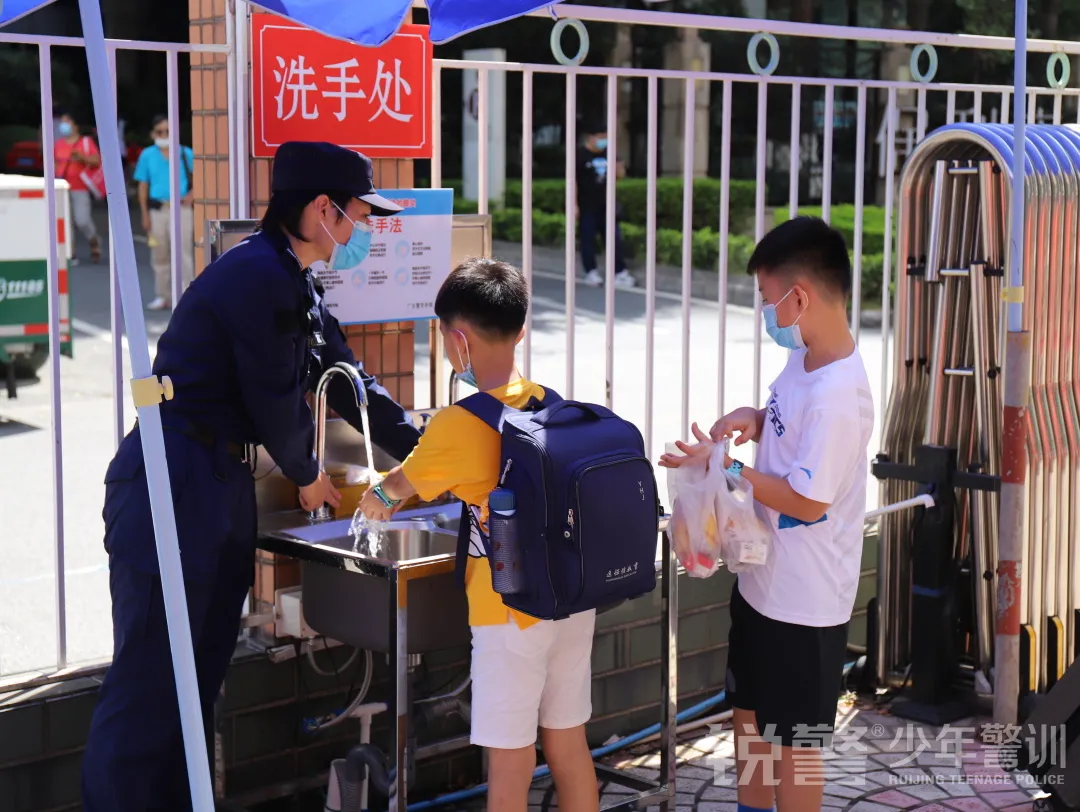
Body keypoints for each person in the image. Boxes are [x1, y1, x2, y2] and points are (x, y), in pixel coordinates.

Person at [81, 142, 422, 811]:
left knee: (196, 686)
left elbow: (349, 385)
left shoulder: (294, 280)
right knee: (150, 688)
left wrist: (424, 442)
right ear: (322, 209)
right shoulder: (257, 276)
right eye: (357, 215)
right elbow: (272, 395)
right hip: (172, 482)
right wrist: (306, 471)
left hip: (218, 486)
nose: (361, 232)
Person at [357, 258, 600, 812]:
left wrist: (374, 498)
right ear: (518, 331)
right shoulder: (548, 402)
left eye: (444, 335)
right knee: (567, 742)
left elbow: (397, 487)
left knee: (510, 759)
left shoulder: (460, 423)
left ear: (458, 339)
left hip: (507, 612)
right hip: (569, 600)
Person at [660, 217, 874, 812]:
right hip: (763, 584)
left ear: (799, 297)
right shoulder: (805, 361)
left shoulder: (840, 395)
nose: (766, 313)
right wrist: (754, 419)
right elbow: (789, 435)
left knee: (794, 747)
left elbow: (809, 499)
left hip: (804, 606)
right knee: (750, 723)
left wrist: (729, 473)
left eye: (766, 300)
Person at [134, 114, 197, 311]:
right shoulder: (147, 155)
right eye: (160, 131)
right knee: (159, 254)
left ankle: (187, 294)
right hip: (158, 209)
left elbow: (200, 177)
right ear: (153, 133)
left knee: (184, 253)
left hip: (181, 208)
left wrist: (192, 196)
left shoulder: (185, 153)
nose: (164, 135)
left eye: (168, 131)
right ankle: (163, 295)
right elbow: (142, 186)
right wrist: (144, 214)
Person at [576, 121, 635, 289]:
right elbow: (573, 181)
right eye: (601, 137)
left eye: (606, 138)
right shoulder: (580, 155)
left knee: (614, 239)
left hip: (608, 206)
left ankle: (620, 272)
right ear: (591, 137)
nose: (604, 141)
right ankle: (591, 272)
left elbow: (620, 175)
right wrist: (574, 205)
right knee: (588, 239)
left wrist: (618, 165)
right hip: (587, 205)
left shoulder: (610, 153)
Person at [53, 110, 102, 263]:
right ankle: (71, 253)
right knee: (65, 221)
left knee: (82, 220)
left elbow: (96, 161)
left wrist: (81, 158)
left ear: (75, 126)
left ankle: (93, 238)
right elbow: (54, 163)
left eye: (67, 121)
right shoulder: (59, 144)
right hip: (62, 188)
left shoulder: (85, 142)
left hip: (79, 187)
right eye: (62, 122)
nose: (63, 125)